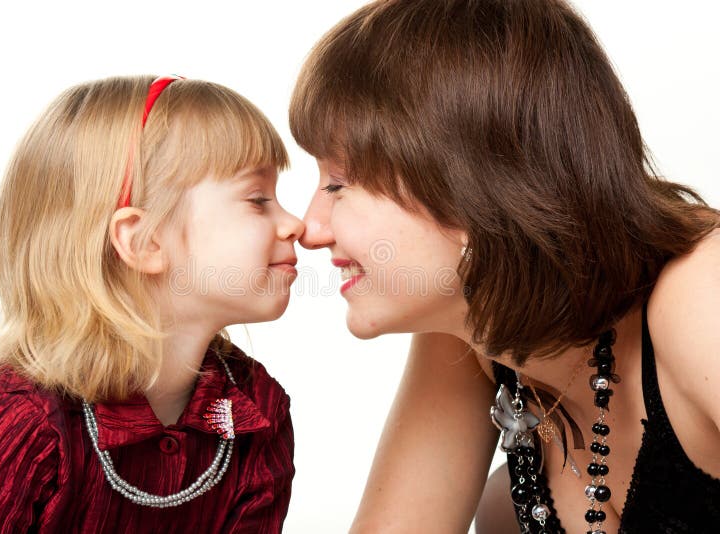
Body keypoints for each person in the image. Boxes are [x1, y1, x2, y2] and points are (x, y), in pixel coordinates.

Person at [289, 0, 720, 532]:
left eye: (338, 183)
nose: (309, 227)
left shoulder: (702, 290)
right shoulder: (471, 326)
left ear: (468, 186)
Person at [0, 75, 303, 533]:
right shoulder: (23, 421)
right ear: (142, 241)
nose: (296, 223)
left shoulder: (255, 412)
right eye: (258, 200)